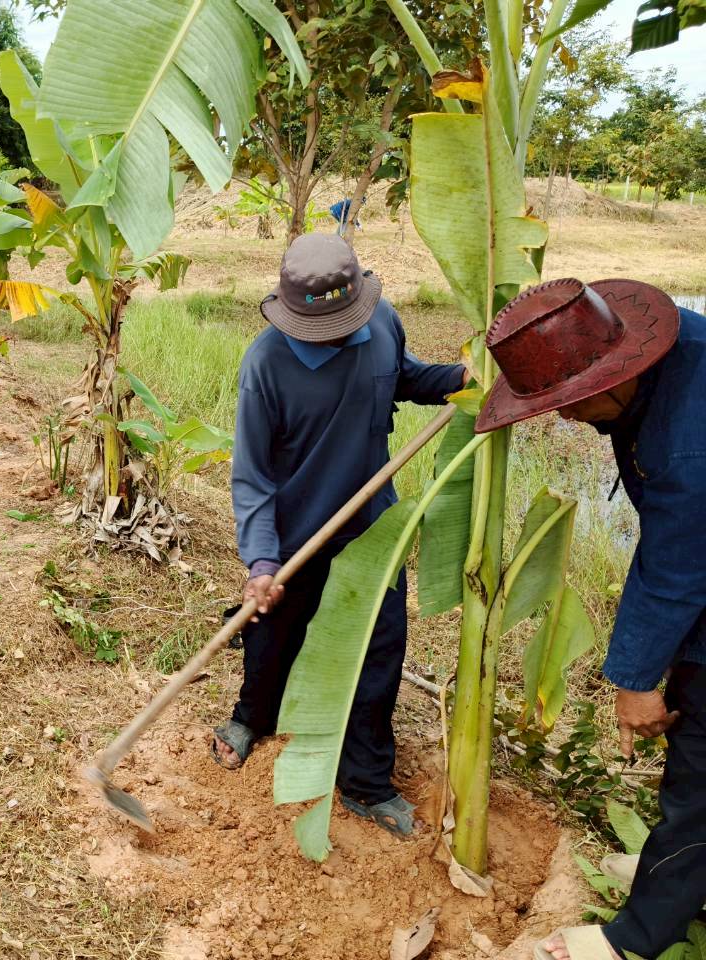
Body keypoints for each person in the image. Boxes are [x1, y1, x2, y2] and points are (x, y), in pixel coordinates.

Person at [469, 278, 705, 960]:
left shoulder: (689, 447)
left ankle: (638, 935)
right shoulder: (673, 347)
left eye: (572, 401)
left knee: (700, 771)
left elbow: (677, 569)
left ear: (620, 372)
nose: (566, 420)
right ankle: (681, 875)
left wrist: (634, 681)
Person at [217, 233, 465, 837]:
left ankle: (365, 780)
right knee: (272, 635)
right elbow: (251, 477)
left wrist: (460, 377)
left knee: (377, 655)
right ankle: (252, 718)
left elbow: (402, 378)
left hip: (371, 528)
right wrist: (261, 561)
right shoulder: (265, 366)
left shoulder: (382, 323)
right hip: (294, 536)